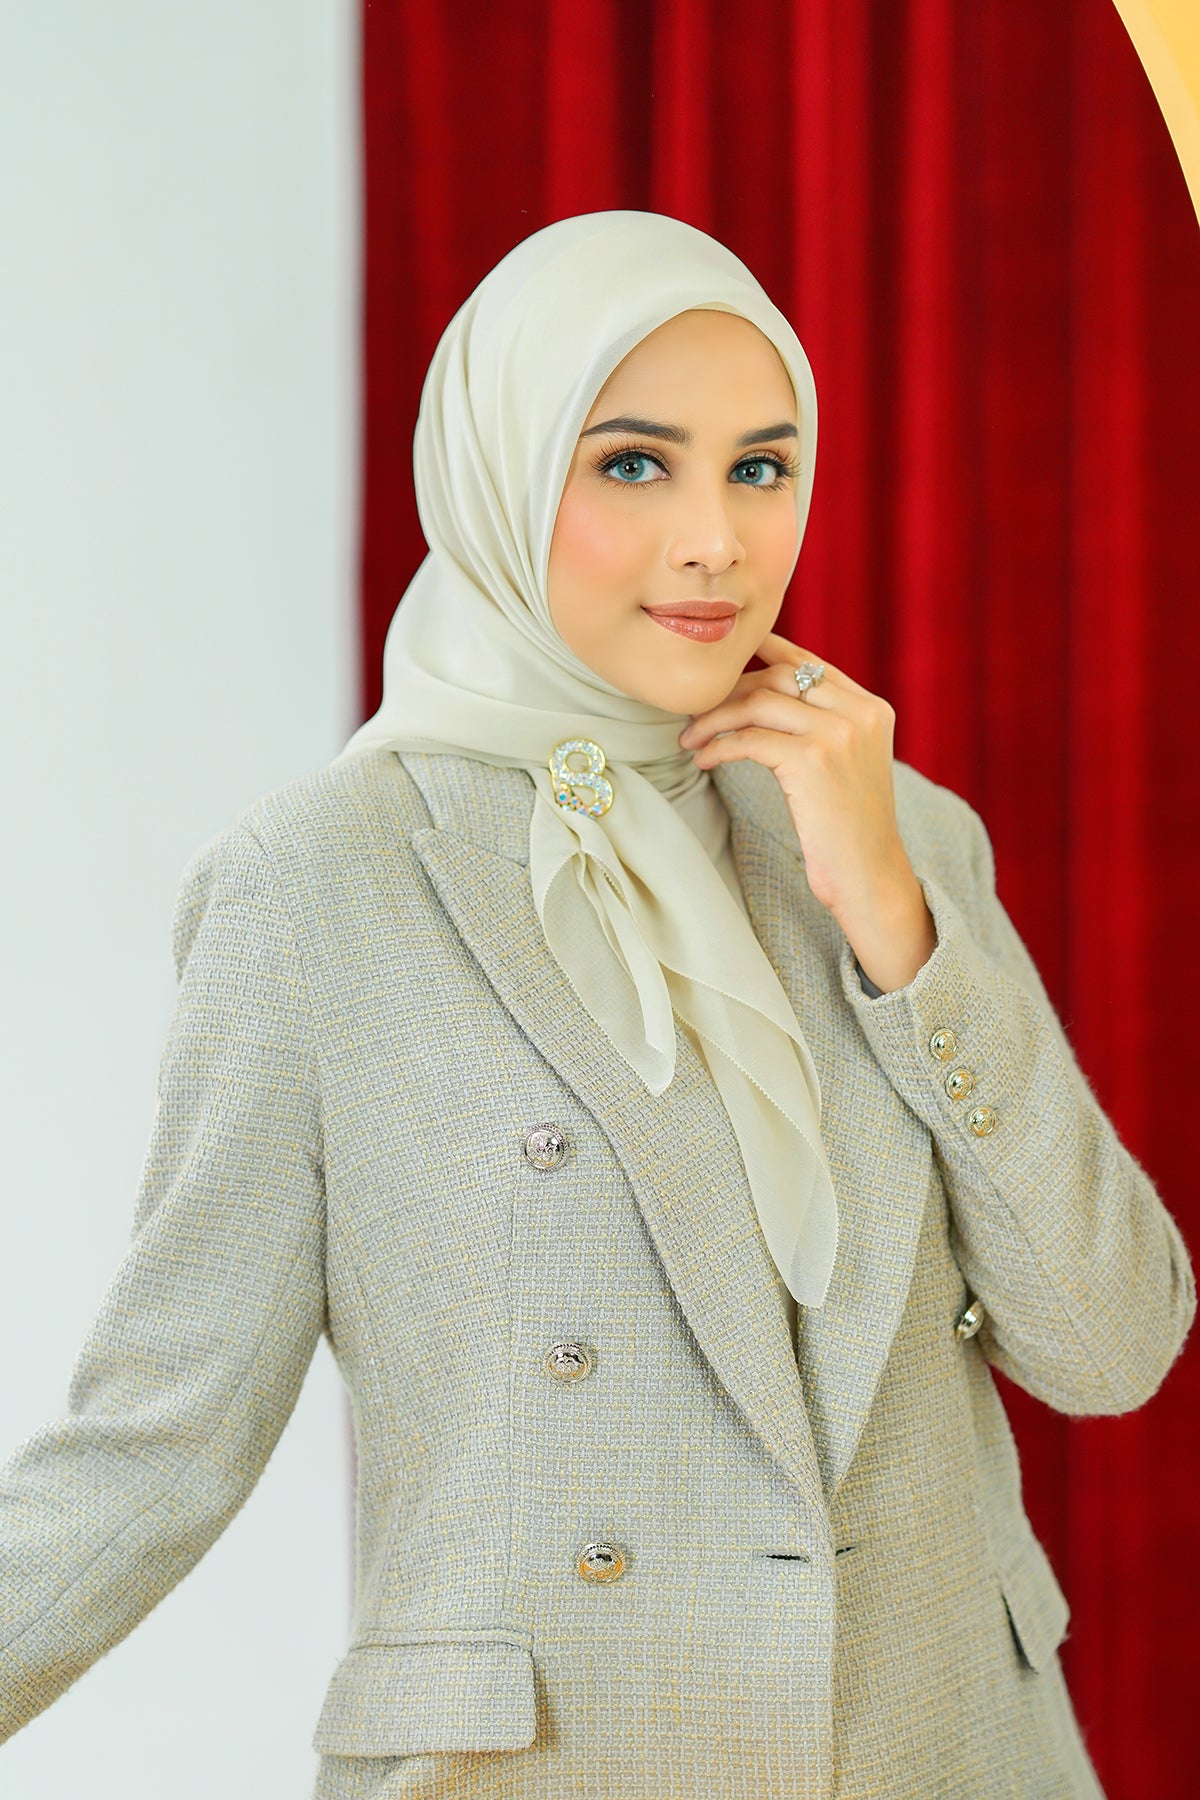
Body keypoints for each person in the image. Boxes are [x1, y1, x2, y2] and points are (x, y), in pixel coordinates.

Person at [0, 210, 1192, 1798]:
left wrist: (898, 923)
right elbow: (160, 1441)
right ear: (496, 473)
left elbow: (1111, 1346)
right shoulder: (315, 889)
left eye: (761, 468)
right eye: (634, 464)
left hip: (951, 1753)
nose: (717, 542)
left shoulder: (898, 836)